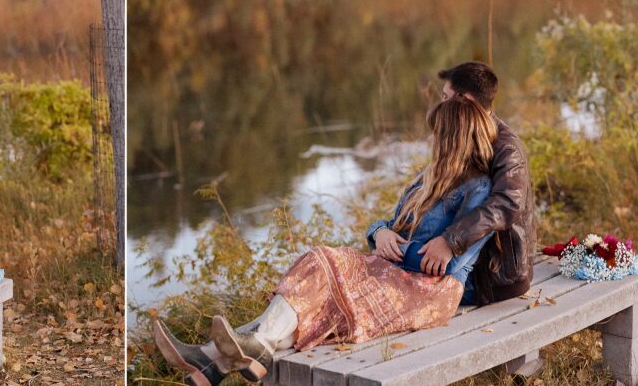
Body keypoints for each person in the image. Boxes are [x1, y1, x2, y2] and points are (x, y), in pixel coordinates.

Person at [154, 96, 498, 386]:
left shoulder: (478, 189)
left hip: (429, 291)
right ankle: (216, 361)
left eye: (438, 133)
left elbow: (445, 264)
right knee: (318, 298)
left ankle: (215, 357)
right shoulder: (428, 179)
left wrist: (396, 248)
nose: (432, 140)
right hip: (394, 271)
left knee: (322, 260)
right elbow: (390, 225)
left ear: (454, 137)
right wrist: (380, 232)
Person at [416, 61, 536, 305]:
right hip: (464, 265)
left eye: (445, 96)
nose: (442, 104)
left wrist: (450, 242)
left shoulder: (505, 146)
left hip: (491, 279)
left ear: (464, 98)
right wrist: (381, 231)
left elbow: (506, 204)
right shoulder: (461, 136)